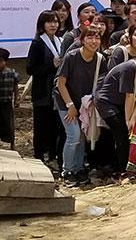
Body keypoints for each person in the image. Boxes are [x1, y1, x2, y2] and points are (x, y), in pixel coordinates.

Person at [94, 42, 136, 174]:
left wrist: (133, 118)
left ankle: (118, 166)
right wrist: (129, 121)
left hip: (122, 104)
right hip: (107, 102)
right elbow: (130, 96)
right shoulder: (131, 68)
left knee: (128, 132)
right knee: (123, 133)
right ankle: (122, 172)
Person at [55, 25, 107, 186]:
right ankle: (68, 170)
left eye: (97, 37)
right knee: (73, 135)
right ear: (82, 40)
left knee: (82, 136)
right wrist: (70, 105)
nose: (94, 41)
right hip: (65, 100)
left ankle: (78, 169)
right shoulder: (71, 57)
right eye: (89, 37)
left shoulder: (100, 59)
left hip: (84, 104)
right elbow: (60, 84)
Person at [26, 11, 64, 163]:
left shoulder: (59, 40)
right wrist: (51, 65)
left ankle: (53, 155)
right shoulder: (37, 43)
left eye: (55, 21)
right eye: (49, 22)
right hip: (42, 92)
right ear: (42, 24)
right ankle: (39, 156)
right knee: (41, 125)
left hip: (56, 92)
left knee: (54, 125)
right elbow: (30, 69)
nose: (53, 25)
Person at [0, 48, 20, 148]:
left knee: (9, 124)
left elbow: (15, 87)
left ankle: (11, 143)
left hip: (7, 102)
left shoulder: (12, 73)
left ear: (5, 61)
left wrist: (17, 99)